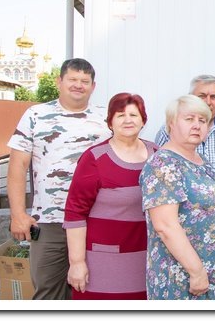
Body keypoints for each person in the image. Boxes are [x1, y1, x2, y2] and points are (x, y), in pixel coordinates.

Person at [7, 58, 111, 300]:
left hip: (95, 219)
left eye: (85, 81)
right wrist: (18, 215)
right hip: (50, 221)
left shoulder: (105, 118)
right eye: (72, 79)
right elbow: (17, 166)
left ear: (93, 86)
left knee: (94, 292)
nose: (78, 85)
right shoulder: (36, 115)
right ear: (59, 82)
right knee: (48, 293)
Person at [63, 93, 157, 299]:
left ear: (143, 120)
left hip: (148, 260)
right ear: (110, 122)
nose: (128, 120)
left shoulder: (158, 155)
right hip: (103, 263)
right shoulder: (95, 158)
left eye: (134, 114)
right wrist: (77, 262)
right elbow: (75, 212)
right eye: (120, 115)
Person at [140, 95, 215, 300]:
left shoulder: (202, 161)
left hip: (213, 270)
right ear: (171, 123)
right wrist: (196, 271)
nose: (197, 125)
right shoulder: (163, 164)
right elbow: (165, 226)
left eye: (202, 120)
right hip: (181, 275)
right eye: (189, 119)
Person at [154, 74, 215, 179]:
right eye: (202, 96)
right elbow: (157, 163)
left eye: (213, 97)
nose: (208, 102)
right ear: (190, 97)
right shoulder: (171, 128)